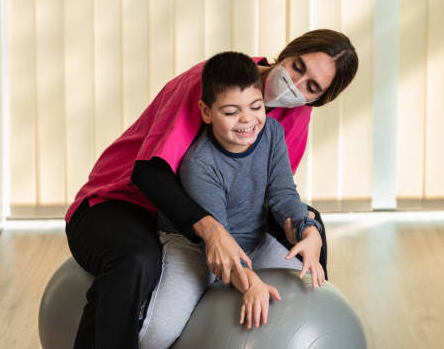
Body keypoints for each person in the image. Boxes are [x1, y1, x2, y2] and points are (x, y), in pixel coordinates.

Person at [64, 29, 358, 348]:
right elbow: (150, 174)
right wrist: (220, 240)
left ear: (320, 98)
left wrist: (305, 229)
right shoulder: (213, 83)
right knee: (138, 259)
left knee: (313, 228)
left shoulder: (297, 112)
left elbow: (276, 194)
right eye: (297, 66)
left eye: (312, 87)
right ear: (288, 52)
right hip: (122, 202)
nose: (296, 85)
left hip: (200, 215)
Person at [138, 51, 326, 349]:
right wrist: (248, 281)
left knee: (310, 299)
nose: (247, 120)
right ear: (206, 112)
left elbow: (282, 194)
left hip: (255, 241)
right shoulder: (199, 163)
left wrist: (308, 228)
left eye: (256, 107)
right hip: (197, 247)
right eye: (230, 112)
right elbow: (218, 242)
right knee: (157, 332)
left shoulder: (273, 133)